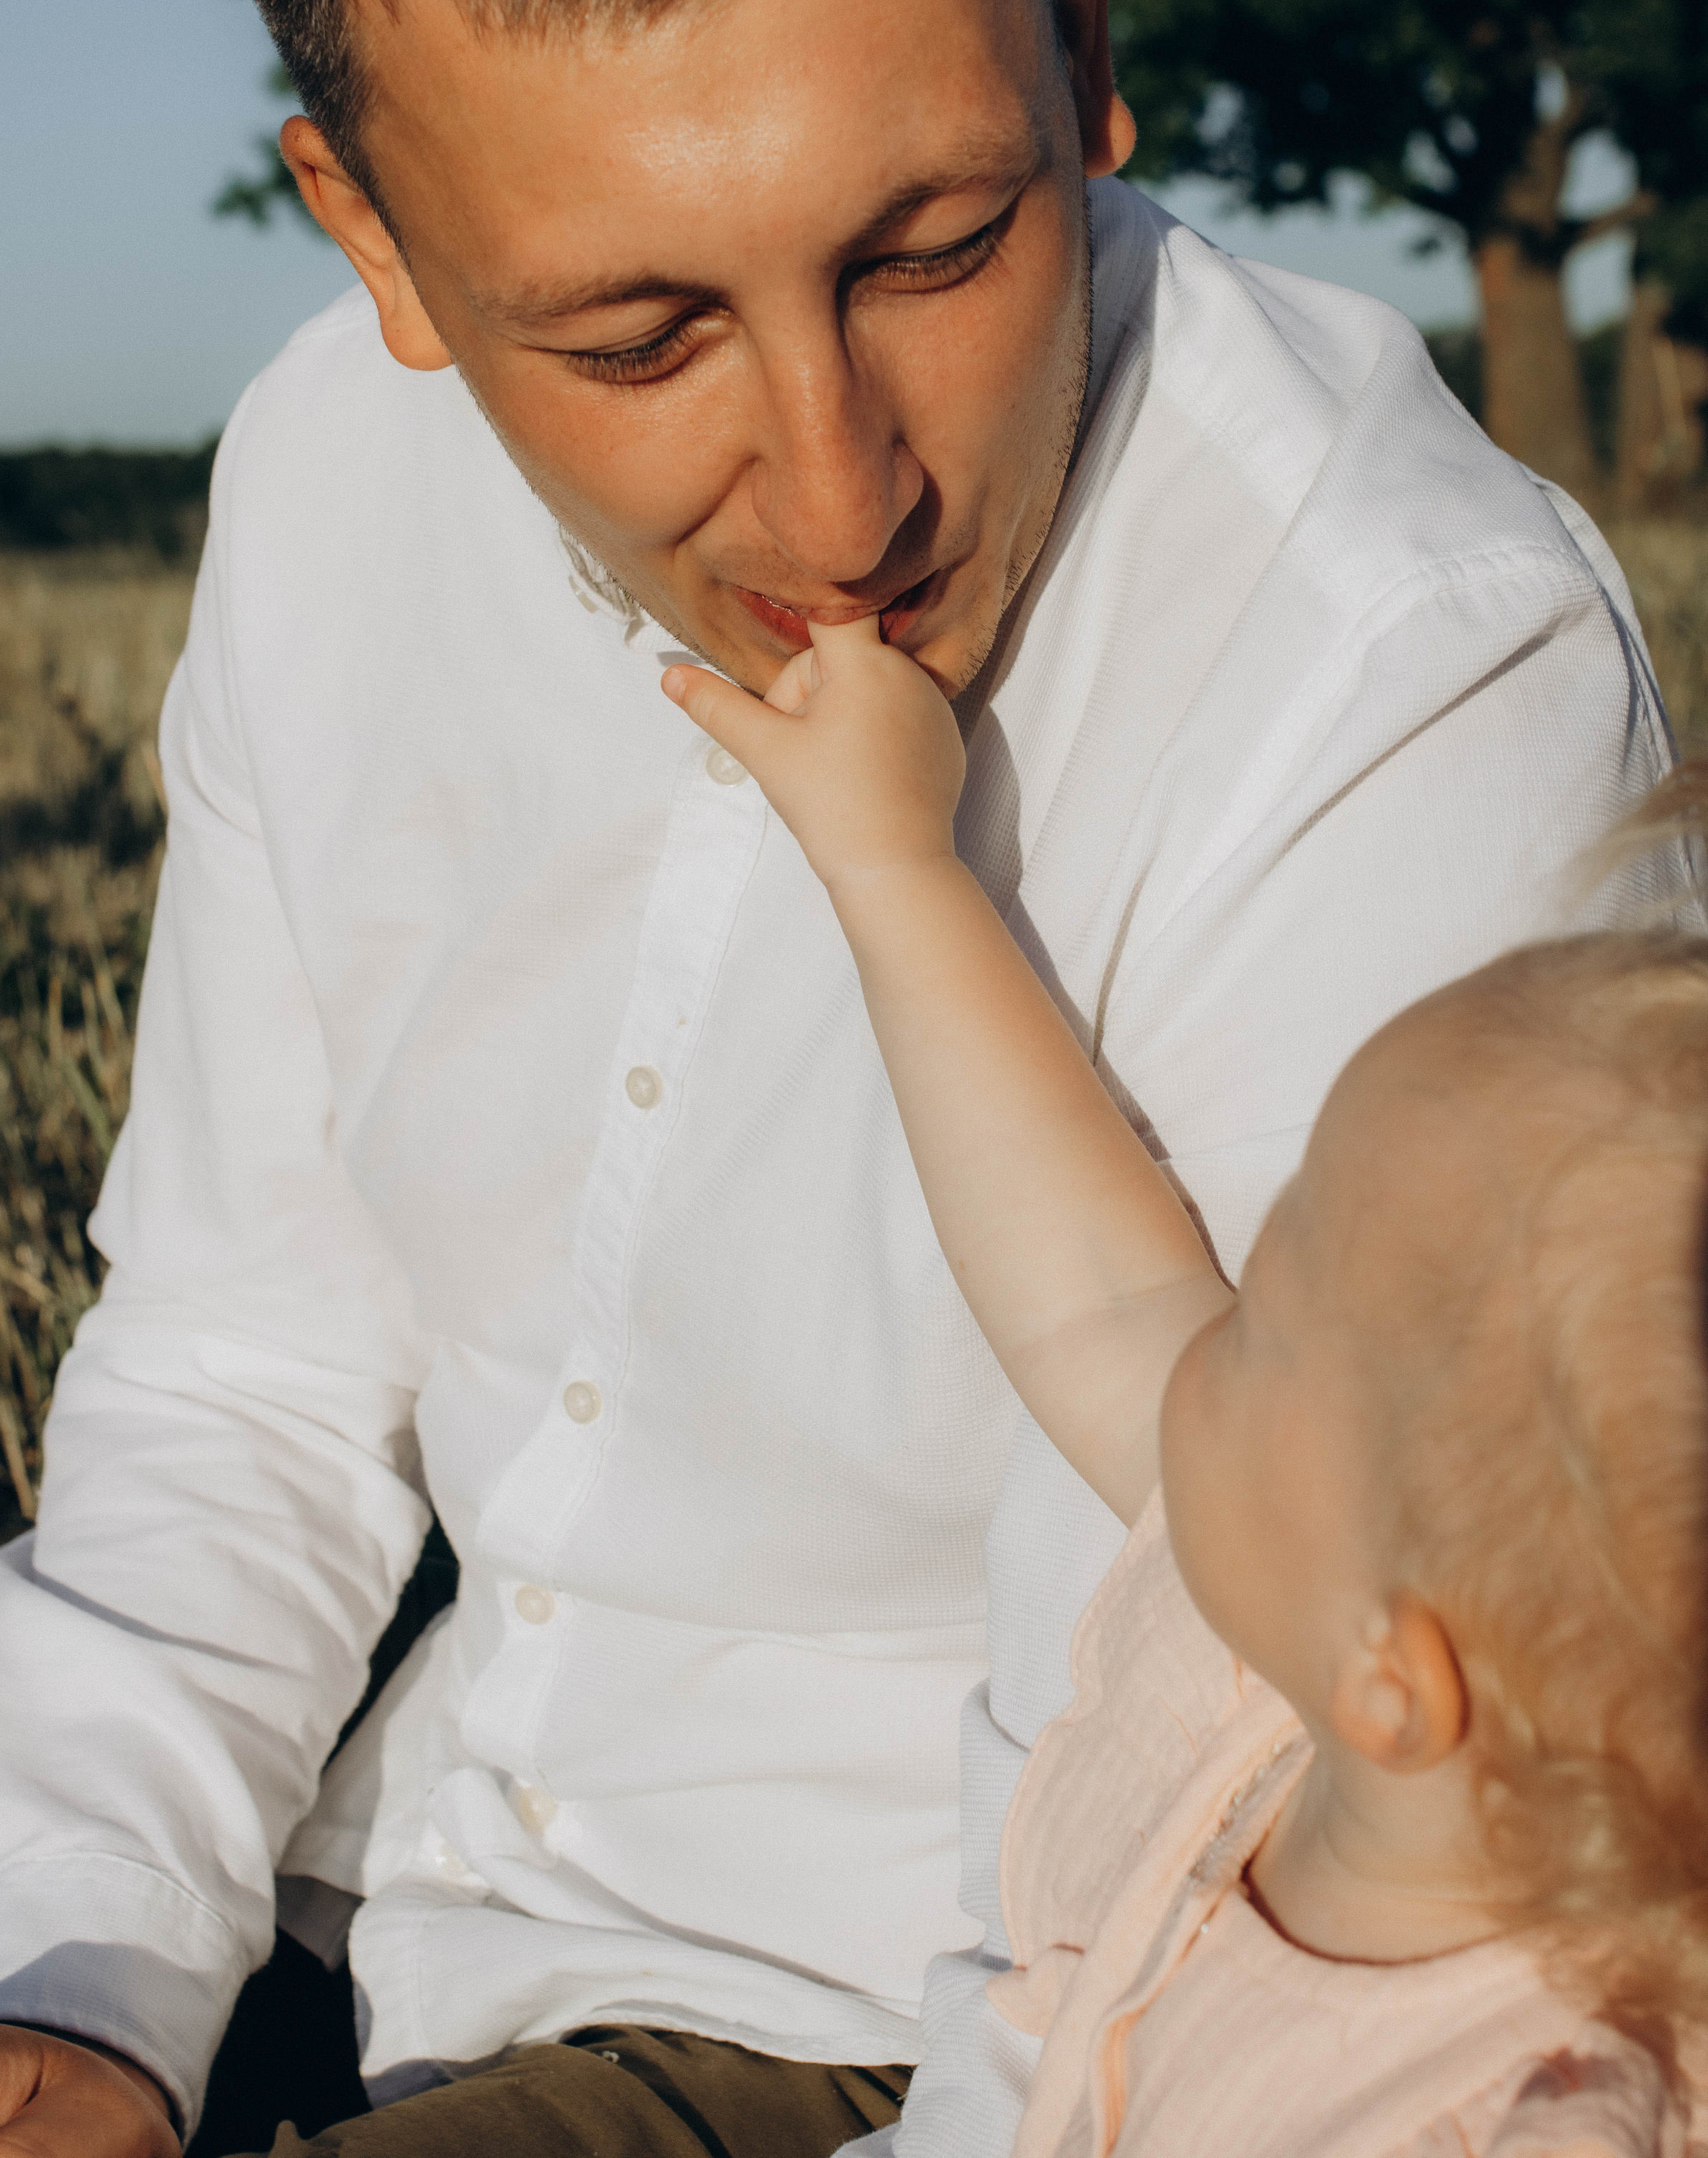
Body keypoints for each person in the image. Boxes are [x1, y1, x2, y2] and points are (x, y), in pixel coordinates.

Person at [0, 0, 1676, 2158]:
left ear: (1082, 29)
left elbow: (1170, 1775)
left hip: (882, 2020)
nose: (841, 503)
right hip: (422, 1805)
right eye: (635, 340)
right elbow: (245, 1351)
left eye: (932, 247)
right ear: (370, 236)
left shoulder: (1419, 671)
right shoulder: (319, 479)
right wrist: (93, 1983)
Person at [662, 627, 1708, 2154]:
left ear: (1396, 1677)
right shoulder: (1288, 1692)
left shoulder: (1531, 2120)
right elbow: (1096, 1288)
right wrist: (893, 866)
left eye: (1267, 1313)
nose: (1206, 1308)